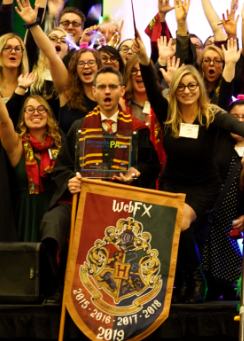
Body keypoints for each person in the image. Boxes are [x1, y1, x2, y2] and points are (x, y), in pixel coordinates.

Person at [135, 36, 244, 303]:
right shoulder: (167, 112)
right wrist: (144, 60)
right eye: (182, 86)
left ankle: (197, 279)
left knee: (181, 220)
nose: (187, 91)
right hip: (172, 184)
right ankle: (186, 280)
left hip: (203, 187)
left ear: (199, 88)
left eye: (192, 86)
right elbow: (152, 88)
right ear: (174, 90)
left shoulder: (209, 114)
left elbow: (235, 125)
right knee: (175, 227)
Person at [40, 66, 161, 303]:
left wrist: (134, 174)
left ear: (121, 91)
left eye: (112, 87)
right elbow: (63, 168)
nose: (107, 92)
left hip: (122, 200)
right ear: (94, 91)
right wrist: (71, 182)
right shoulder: (80, 128)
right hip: (85, 197)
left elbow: (152, 167)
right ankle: (58, 286)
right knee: (53, 222)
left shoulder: (137, 130)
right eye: (102, 87)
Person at [0, 66, 61, 242]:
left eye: (41, 109)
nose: (36, 113)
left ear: (49, 115)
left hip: (56, 212)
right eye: (30, 110)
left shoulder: (60, 144)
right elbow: (3, 119)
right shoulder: (17, 144)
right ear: (23, 116)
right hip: (26, 214)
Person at [14, 0, 102, 134]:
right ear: (74, 67)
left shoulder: (107, 94)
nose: (86, 66)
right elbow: (51, 53)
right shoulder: (67, 91)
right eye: (81, 63)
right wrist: (33, 24)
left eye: (91, 62)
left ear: (99, 66)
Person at [201, 99, 244, 300]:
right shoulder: (216, 144)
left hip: (235, 223)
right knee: (209, 277)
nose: (239, 121)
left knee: (232, 282)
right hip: (211, 219)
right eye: (235, 117)